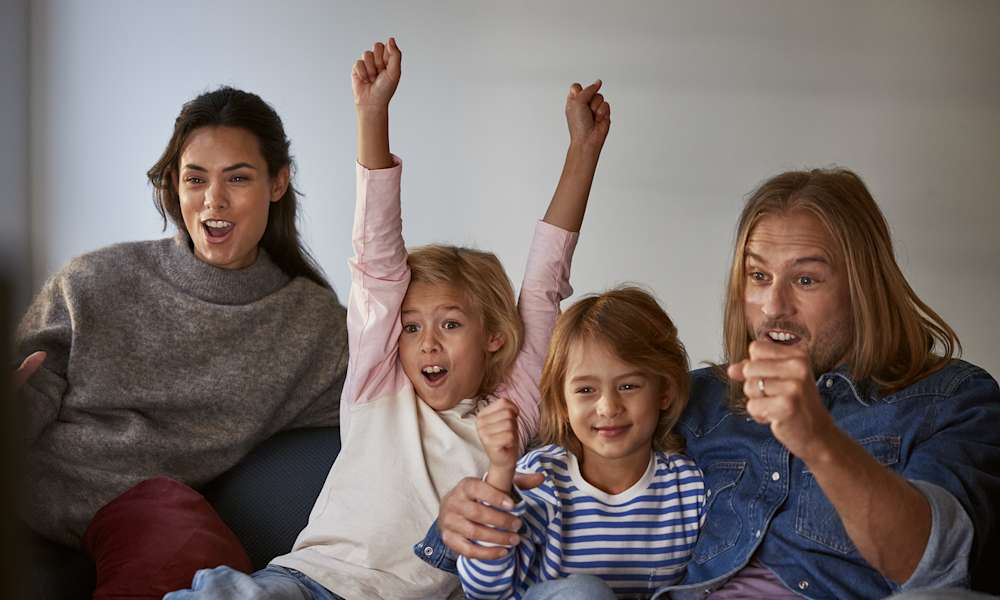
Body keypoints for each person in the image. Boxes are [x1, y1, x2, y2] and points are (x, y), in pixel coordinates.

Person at [165, 37, 611, 599]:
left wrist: (583, 151)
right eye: (411, 326)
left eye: (450, 325)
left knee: (583, 593)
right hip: (312, 585)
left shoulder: (510, 412)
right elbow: (377, 262)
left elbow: (545, 286)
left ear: (495, 338)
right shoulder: (379, 384)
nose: (426, 344)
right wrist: (372, 113)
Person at [428, 168, 1000, 598]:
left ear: (864, 285)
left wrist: (818, 440)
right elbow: (572, 457)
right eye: (757, 276)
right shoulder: (698, 397)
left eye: (805, 279)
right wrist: (468, 509)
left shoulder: (953, 401)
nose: (774, 306)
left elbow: (937, 569)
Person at [15, 86, 349, 564]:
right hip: (24, 506)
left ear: (277, 184)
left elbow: (396, 390)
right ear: (175, 185)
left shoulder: (310, 325)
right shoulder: (93, 280)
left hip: (146, 527)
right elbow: (31, 384)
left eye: (237, 178)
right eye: (196, 179)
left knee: (178, 529)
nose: (214, 200)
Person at [458, 287, 706, 599]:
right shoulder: (541, 478)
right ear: (562, 402)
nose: (608, 407)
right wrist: (499, 473)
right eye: (586, 390)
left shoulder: (688, 488)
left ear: (664, 392)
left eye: (628, 386)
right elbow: (482, 589)